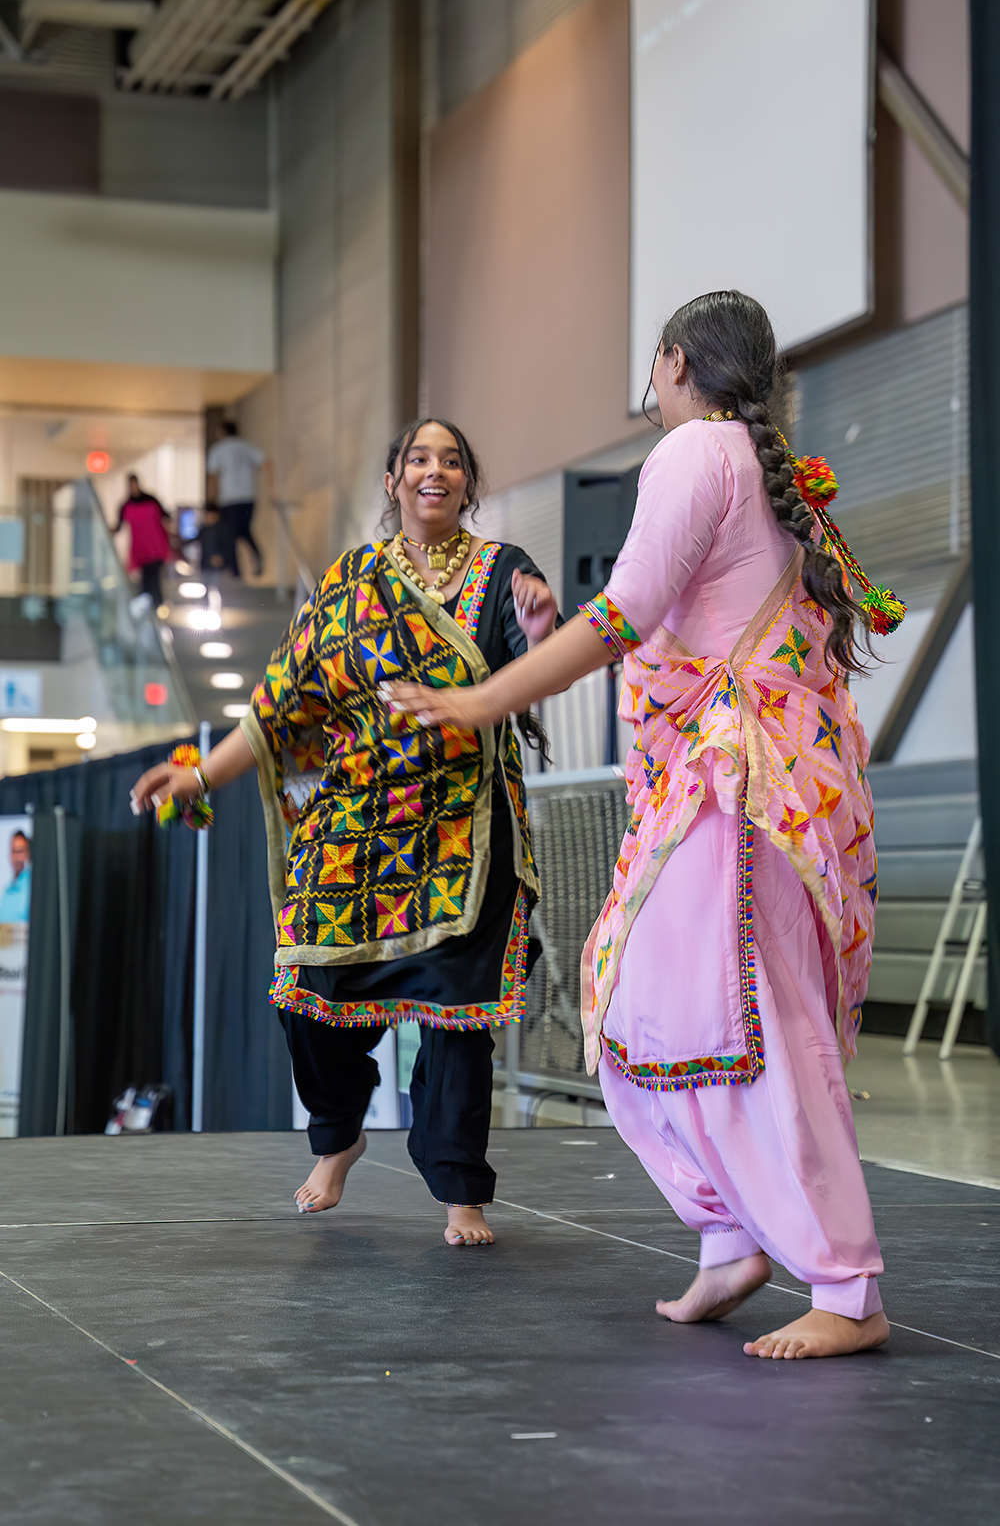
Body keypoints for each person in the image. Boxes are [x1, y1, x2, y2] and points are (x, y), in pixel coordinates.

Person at [388, 292, 891, 1360]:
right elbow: (676, 616)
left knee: (746, 1026)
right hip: (737, 785)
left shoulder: (697, 448)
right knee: (658, 1011)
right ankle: (728, 1233)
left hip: (736, 788)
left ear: (673, 363)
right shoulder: (754, 464)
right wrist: (542, 639)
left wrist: (483, 698)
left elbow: (625, 612)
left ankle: (845, 1284)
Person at [131, 418, 559, 1245]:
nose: (436, 470)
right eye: (420, 458)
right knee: (305, 984)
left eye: (453, 461)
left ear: (467, 484)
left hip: (464, 832)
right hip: (359, 824)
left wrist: (540, 629)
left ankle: (459, 1190)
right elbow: (278, 703)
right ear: (394, 480)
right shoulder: (349, 583)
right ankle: (338, 1135)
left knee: (457, 1018)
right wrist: (198, 774)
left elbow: (535, 659)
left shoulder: (504, 570)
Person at [206, 420, 271, 578]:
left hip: (229, 500)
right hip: (248, 497)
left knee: (230, 536)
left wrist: (211, 500)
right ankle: (255, 554)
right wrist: (271, 489)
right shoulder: (246, 447)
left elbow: (213, 477)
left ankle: (235, 573)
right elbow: (266, 463)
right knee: (243, 530)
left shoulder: (218, 449)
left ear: (222, 433)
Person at [113, 475, 173, 609]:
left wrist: (168, 536)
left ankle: (157, 607)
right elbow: (118, 526)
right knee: (146, 581)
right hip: (141, 550)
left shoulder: (151, 500)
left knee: (155, 579)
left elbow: (166, 517)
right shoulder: (126, 505)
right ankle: (150, 608)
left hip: (155, 547)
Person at [0, 830, 31, 923]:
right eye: (14, 851)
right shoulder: (7, 892)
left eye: (20, 851)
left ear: (28, 853)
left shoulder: (32, 887)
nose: (17, 857)